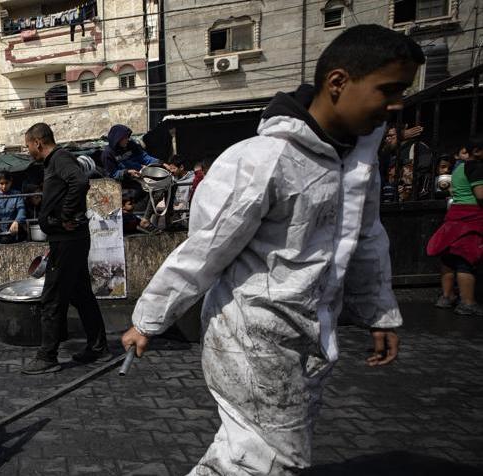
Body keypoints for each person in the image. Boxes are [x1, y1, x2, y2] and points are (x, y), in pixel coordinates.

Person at [121, 25, 419, 474]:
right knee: (269, 460)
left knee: (256, 454)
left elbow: (365, 237)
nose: (396, 106)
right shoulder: (262, 160)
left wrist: (378, 312)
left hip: (310, 336)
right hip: (250, 338)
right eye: (388, 90)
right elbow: (205, 250)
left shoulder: (357, 164)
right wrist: (149, 320)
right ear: (338, 83)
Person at [21, 122, 108, 375]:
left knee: (52, 297)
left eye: (28, 146)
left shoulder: (60, 158)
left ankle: (47, 356)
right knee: (80, 294)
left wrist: (67, 214)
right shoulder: (54, 163)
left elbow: (79, 182)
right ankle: (98, 345)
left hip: (69, 240)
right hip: (66, 240)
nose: (28, 151)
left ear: (38, 142)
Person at [428, 134, 483, 316]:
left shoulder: (459, 168)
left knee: (449, 258)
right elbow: (480, 194)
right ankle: (467, 302)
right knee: (466, 259)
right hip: (470, 216)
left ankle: (446, 296)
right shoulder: (476, 167)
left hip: (455, 215)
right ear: (477, 151)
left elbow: (453, 189)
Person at [0, 171, 26, 243]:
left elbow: (21, 211)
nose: (4, 186)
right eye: (1, 183)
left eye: (7, 183)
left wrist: (17, 221)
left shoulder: (17, 195)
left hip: (12, 233)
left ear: (11, 182)